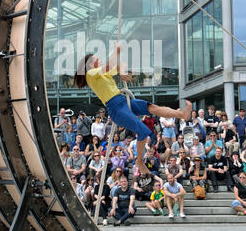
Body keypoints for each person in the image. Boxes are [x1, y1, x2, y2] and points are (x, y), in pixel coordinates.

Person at [73, 45, 192, 176]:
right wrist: (115, 52)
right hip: (115, 108)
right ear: (90, 64)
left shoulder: (102, 74)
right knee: (142, 131)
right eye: (97, 59)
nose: (100, 60)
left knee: (153, 108)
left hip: (122, 100)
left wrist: (122, 72)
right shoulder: (90, 74)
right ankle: (139, 161)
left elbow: (119, 64)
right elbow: (108, 65)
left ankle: (182, 114)